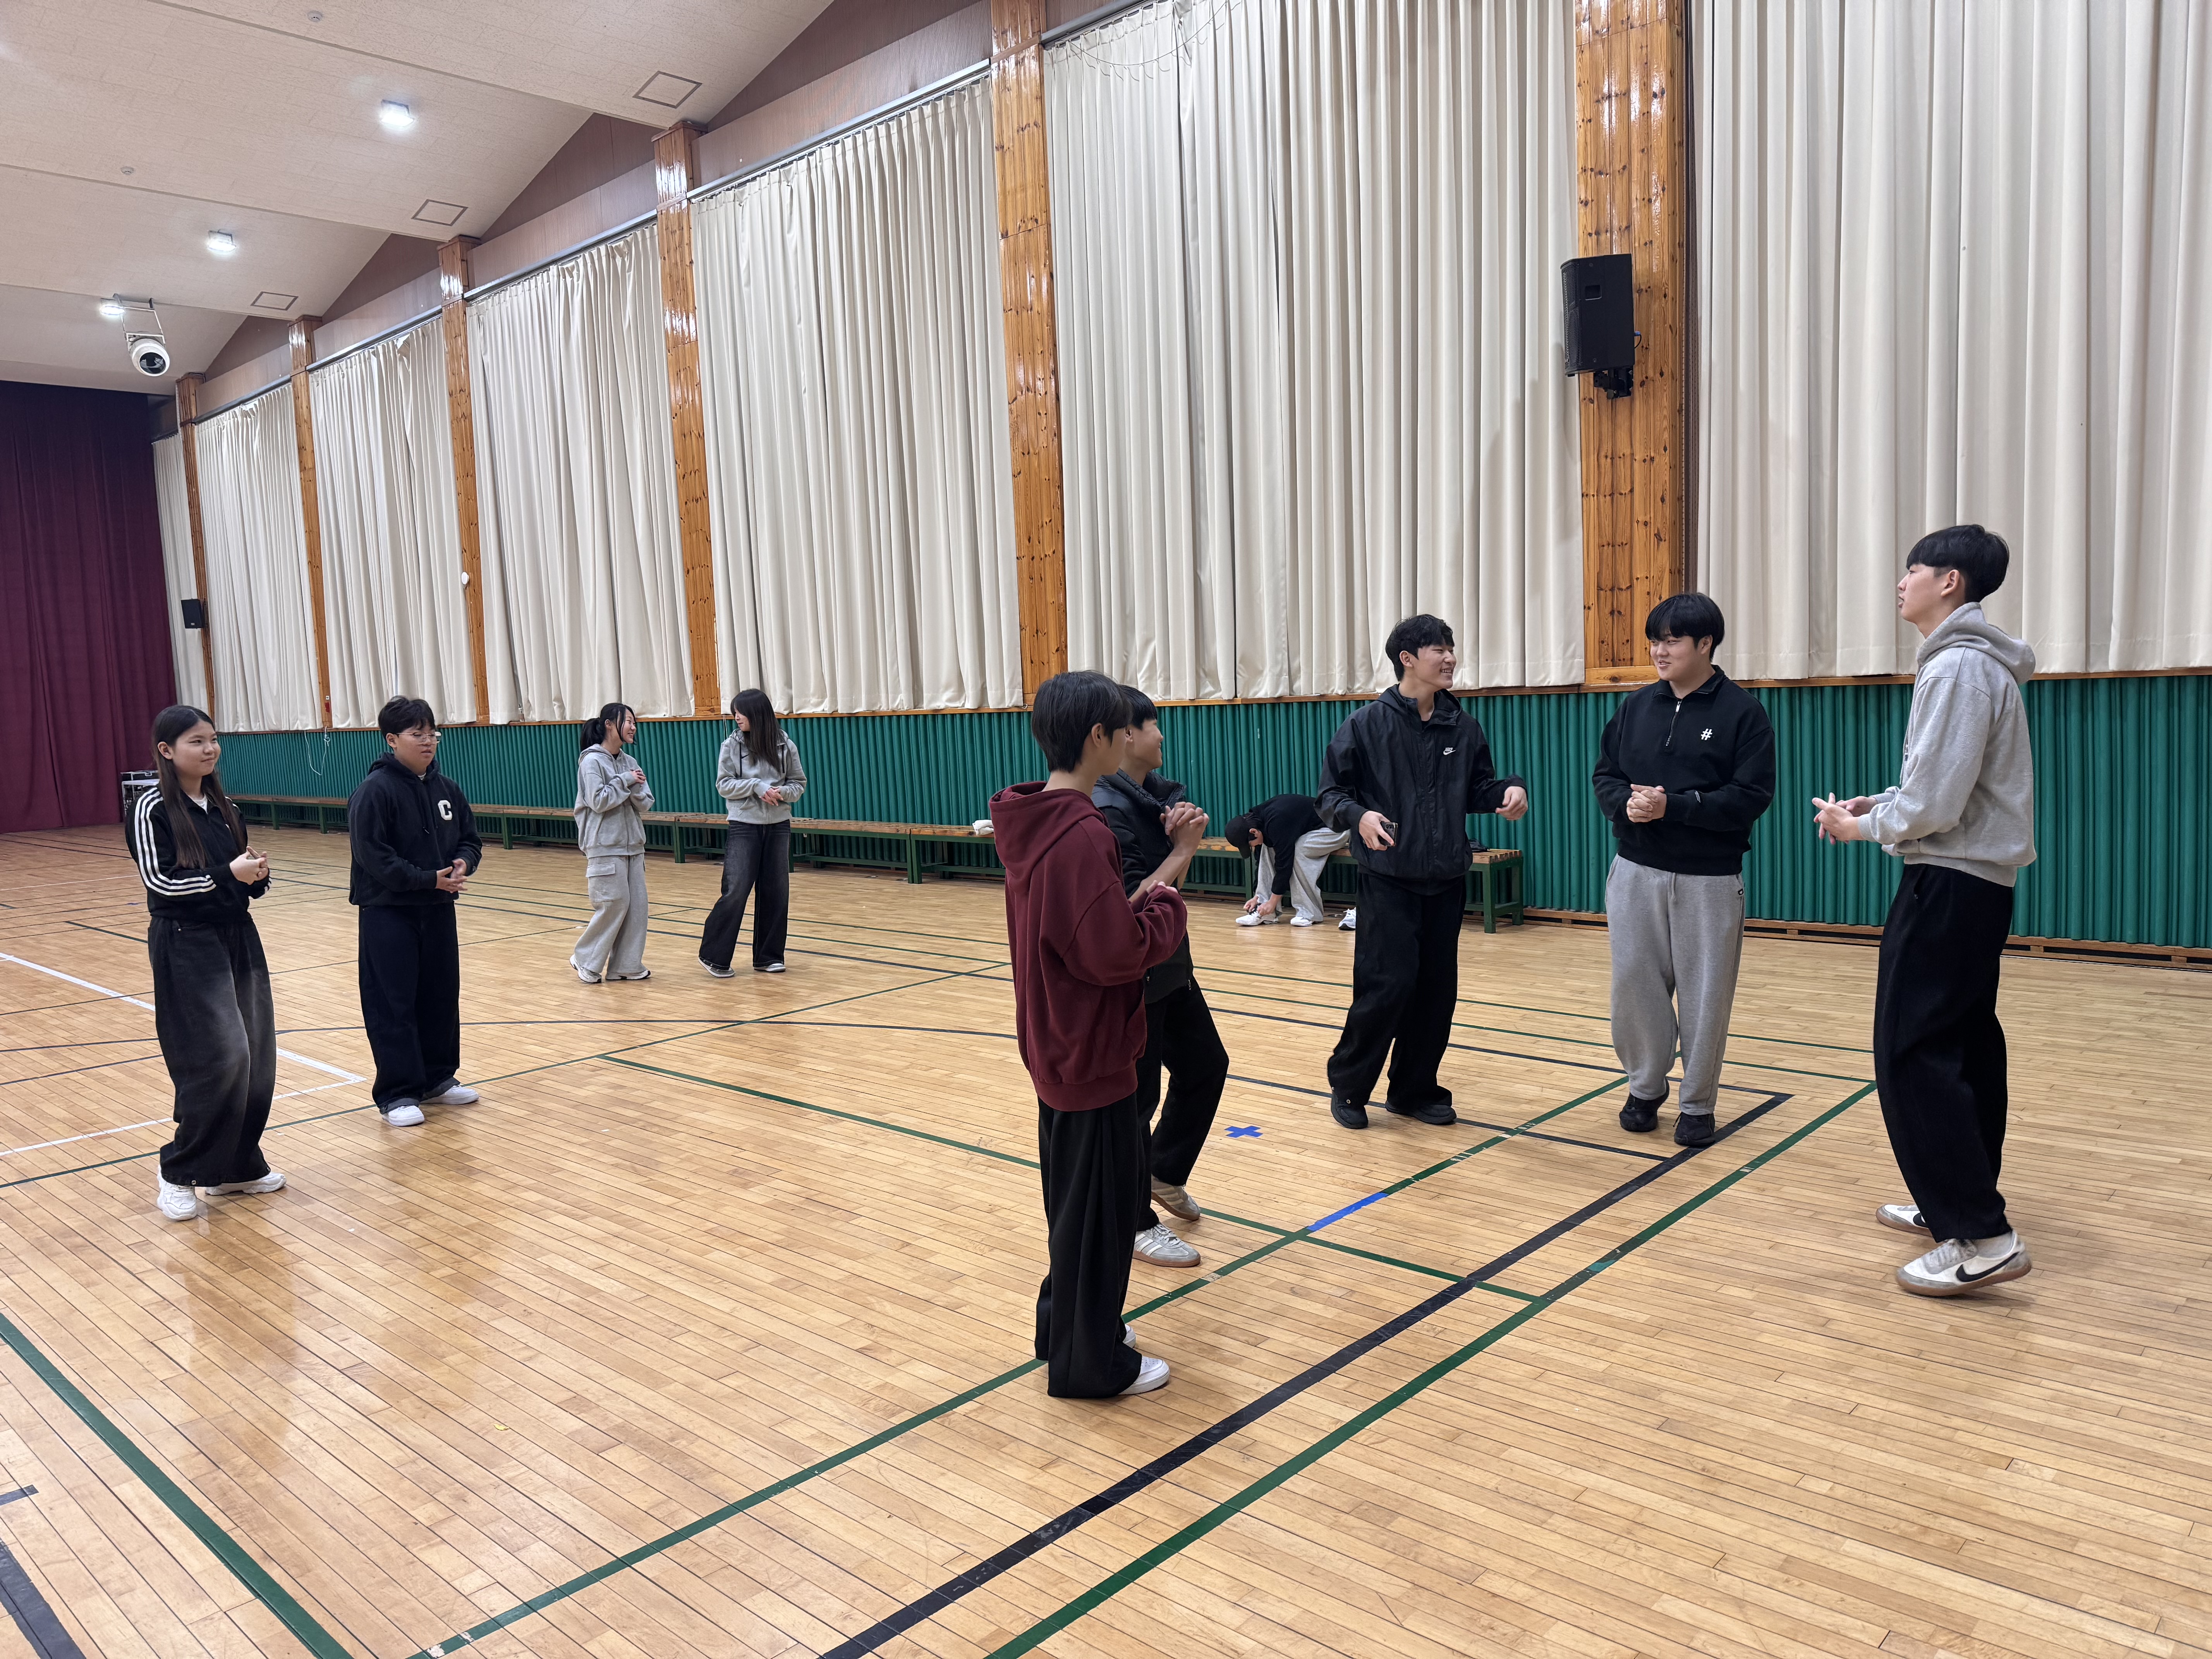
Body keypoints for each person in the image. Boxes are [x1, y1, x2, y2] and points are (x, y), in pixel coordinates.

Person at [1814, 525, 2036, 1298]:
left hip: (1948, 880)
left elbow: (1938, 803)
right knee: (1964, 1045)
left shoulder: (1958, 667)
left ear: (1949, 582)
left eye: (1911, 570)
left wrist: (1862, 826)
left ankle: (1980, 1234)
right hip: (1970, 881)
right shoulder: (1970, 664)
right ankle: (1956, 1201)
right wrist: (1880, 802)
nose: (1899, 582)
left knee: (1912, 1051)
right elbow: (1944, 786)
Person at [993, 672, 1189, 1398]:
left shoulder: (1037, 819)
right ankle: (1090, 1364)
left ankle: (1071, 1328)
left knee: (1076, 1210)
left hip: (1059, 1041)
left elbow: (1082, 930)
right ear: (1099, 737)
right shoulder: (1080, 832)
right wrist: (1166, 909)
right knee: (1098, 1215)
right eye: (1121, 726)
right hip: (1091, 1048)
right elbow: (1110, 954)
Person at [1318, 615, 1529, 1130]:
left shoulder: (1464, 726)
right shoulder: (1365, 725)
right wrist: (1358, 816)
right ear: (1408, 659)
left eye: (1451, 647)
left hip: (1446, 882)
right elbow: (1330, 796)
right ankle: (1350, 1086)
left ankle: (1413, 1090)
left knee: (1436, 994)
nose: (1450, 657)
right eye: (1439, 648)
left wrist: (1509, 791)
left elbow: (1477, 788)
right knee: (1385, 987)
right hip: (1388, 879)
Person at [1592, 594, 1777, 1147]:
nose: (1659, 650)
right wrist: (1624, 804)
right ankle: (1645, 1088)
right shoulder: (1636, 707)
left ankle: (1698, 1104)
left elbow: (1750, 797)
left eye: (1671, 640)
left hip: (1709, 879)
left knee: (1705, 994)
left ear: (1705, 644)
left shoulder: (1743, 713)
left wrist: (1675, 807)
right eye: (1655, 640)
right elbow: (1606, 774)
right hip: (1635, 870)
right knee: (1634, 988)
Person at [129, 705, 282, 1222]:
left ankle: (236, 1165)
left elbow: (240, 879)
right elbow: (161, 882)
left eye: (213, 739)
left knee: (256, 1057)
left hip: (238, 935)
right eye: (197, 741)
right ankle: (179, 1171)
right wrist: (227, 875)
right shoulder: (151, 808)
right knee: (219, 1057)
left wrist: (256, 875)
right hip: (186, 942)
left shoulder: (225, 807)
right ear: (167, 750)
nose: (210, 749)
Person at [1092, 687, 1224, 1270]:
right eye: (1152, 725)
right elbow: (1130, 904)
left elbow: (1169, 892)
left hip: (1171, 968)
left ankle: (1163, 1171)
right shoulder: (1109, 809)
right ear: (1126, 735)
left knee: (1206, 1065)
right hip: (1136, 982)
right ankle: (1135, 1223)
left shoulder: (1152, 799)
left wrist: (1179, 845)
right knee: (1136, 1102)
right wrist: (1182, 850)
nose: (1161, 735)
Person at [348, 696, 484, 1129]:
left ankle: (438, 1078)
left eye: (432, 733)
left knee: (440, 995)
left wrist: (463, 863)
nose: (428, 741)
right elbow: (374, 856)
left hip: (438, 909)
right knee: (393, 1001)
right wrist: (427, 879)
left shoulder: (448, 789)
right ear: (392, 740)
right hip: (389, 912)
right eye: (417, 734)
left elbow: (470, 839)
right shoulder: (375, 791)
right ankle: (398, 1092)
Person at [699, 688, 807, 977]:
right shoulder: (731, 746)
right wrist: (756, 787)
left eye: (741, 713)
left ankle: (768, 957)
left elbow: (798, 783)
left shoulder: (786, 745)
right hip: (744, 826)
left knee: (776, 891)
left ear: (757, 714)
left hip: (779, 826)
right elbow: (724, 785)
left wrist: (782, 793)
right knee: (736, 890)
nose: (737, 718)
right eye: (735, 713)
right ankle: (714, 956)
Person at [573, 702, 653, 984]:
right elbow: (598, 801)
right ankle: (585, 960)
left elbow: (646, 802)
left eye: (634, 722)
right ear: (609, 724)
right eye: (628, 721)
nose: (633, 727)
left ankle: (626, 966)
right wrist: (626, 781)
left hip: (634, 846)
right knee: (613, 904)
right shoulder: (592, 762)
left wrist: (631, 785)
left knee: (637, 909)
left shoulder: (631, 762)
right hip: (604, 846)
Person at [1224, 794, 1352, 929]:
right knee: (1268, 847)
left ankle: (1309, 913)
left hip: (1337, 829)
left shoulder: (1277, 822)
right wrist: (1257, 896)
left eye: (1250, 845)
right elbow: (1260, 862)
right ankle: (1265, 911)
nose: (1253, 847)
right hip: (1312, 829)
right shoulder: (1258, 822)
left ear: (1254, 832)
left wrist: (1273, 902)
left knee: (1300, 849)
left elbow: (1284, 866)